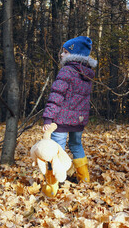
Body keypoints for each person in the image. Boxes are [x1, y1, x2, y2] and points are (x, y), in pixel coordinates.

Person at [41, 36, 97, 196]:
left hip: (61, 119)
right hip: (78, 120)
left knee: (55, 150)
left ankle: (53, 185)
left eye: (65, 52)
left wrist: (48, 118)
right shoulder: (88, 74)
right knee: (76, 145)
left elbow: (57, 95)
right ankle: (84, 179)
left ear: (74, 55)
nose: (61, 55)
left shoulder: (66, 71)